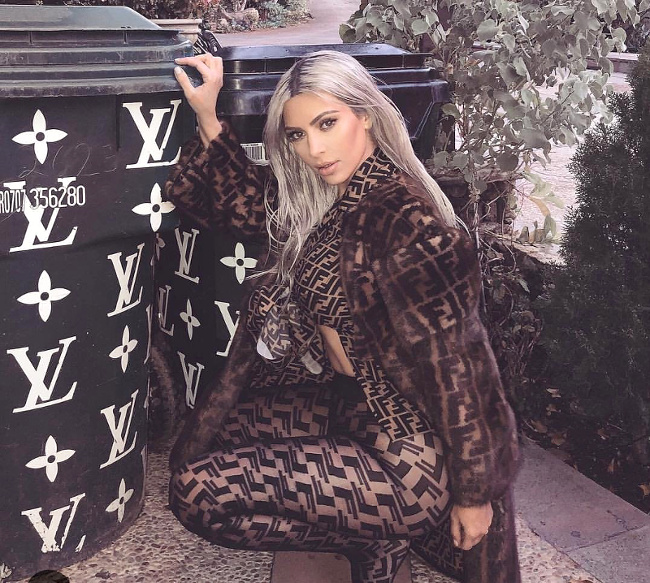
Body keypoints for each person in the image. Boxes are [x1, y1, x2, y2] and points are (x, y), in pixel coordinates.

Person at [165, 50, 521, 583]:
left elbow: (460, 365)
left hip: (409, 454)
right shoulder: (334, 198)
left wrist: (476, 494)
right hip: (354, 406)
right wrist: (208, 115)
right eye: (297, 134)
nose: (314, 149)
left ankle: (377, 532)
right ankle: (374, 541)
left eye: (327, 124)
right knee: (215, 433)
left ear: (366, 115)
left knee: (198, 491)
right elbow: (256, 207)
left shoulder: (405, 220)